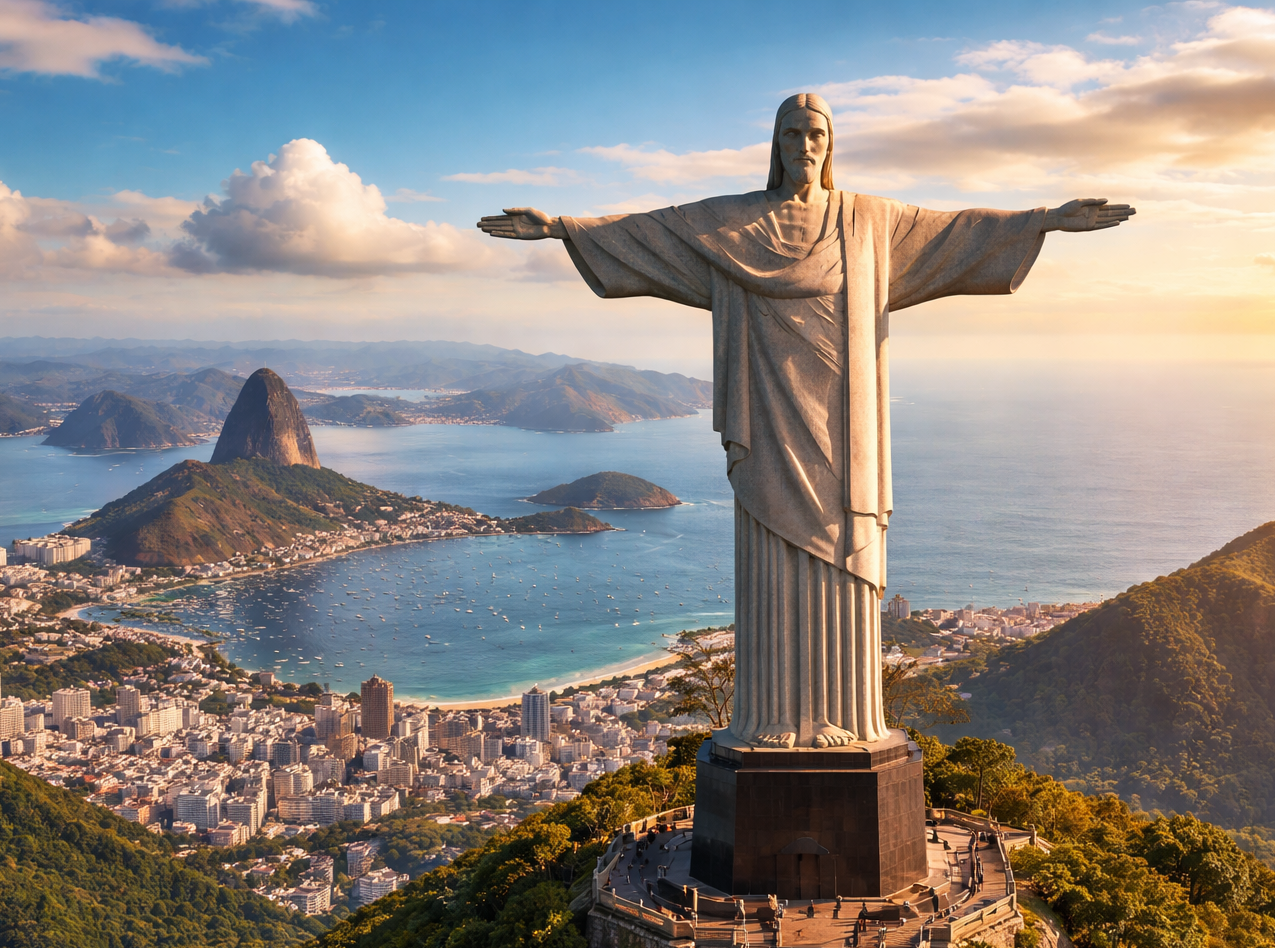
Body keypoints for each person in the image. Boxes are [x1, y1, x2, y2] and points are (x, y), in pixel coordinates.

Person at [479, 94, 1133, 751]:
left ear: (830, 142)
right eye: (791, 132)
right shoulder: (732, 224)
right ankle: (771, 722)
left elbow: (958, 229)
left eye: (815, 132)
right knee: (773, 556)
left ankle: (848, 723)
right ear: (776, 142)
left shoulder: (869, 221)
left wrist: (1046, 219)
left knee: (841, 551)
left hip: (846, 426)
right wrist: (561, 227)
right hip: (767, 421)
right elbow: (653, 230)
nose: (804, 144)